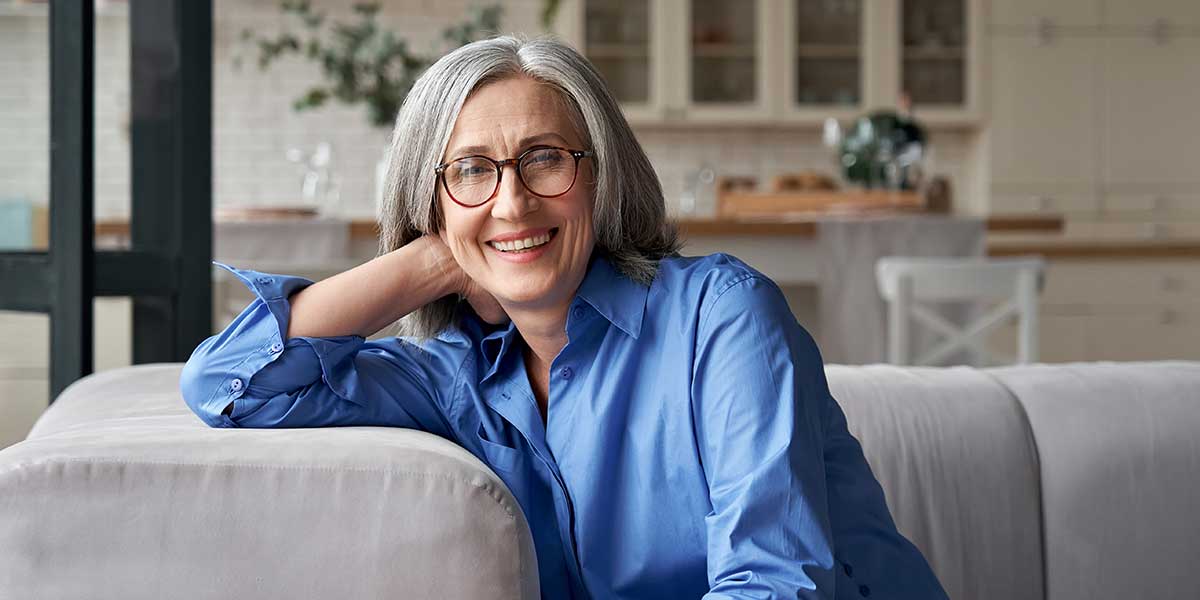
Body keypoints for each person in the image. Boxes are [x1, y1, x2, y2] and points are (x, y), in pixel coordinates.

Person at [181, 34, 947, 600]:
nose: (513, 200)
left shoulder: (721, 317)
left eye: (544, 158)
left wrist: (475, 226)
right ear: (429, 200)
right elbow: (231, 385)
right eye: (471, 170)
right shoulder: (459, 379)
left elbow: (777, 584)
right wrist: (439, 255)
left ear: (600, 178)